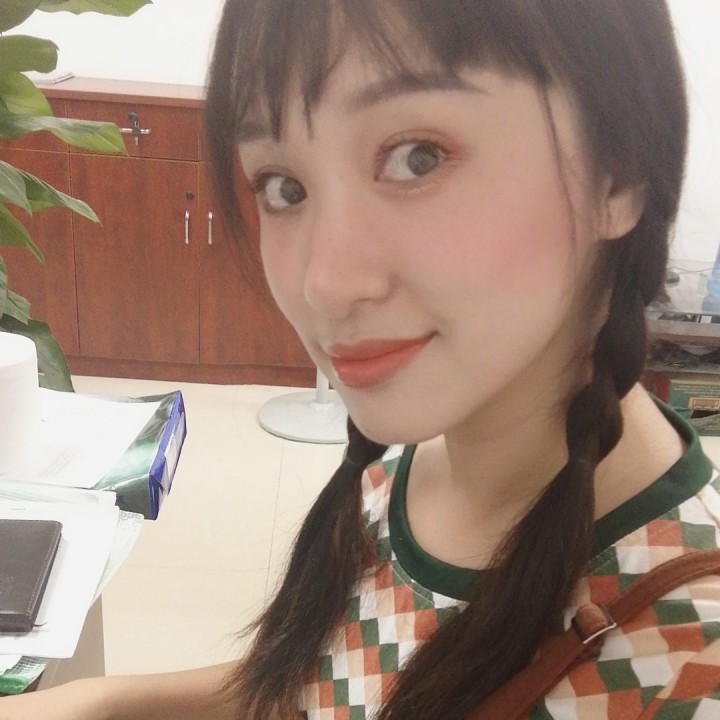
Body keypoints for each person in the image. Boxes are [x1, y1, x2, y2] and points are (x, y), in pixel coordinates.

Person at [2, 1, 719, 718]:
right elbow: (324, 685)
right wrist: (96, 702)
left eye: (417, 157)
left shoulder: (691, 657)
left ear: (617, 175)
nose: (325, 284)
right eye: (284, 186)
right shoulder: (402, 465)